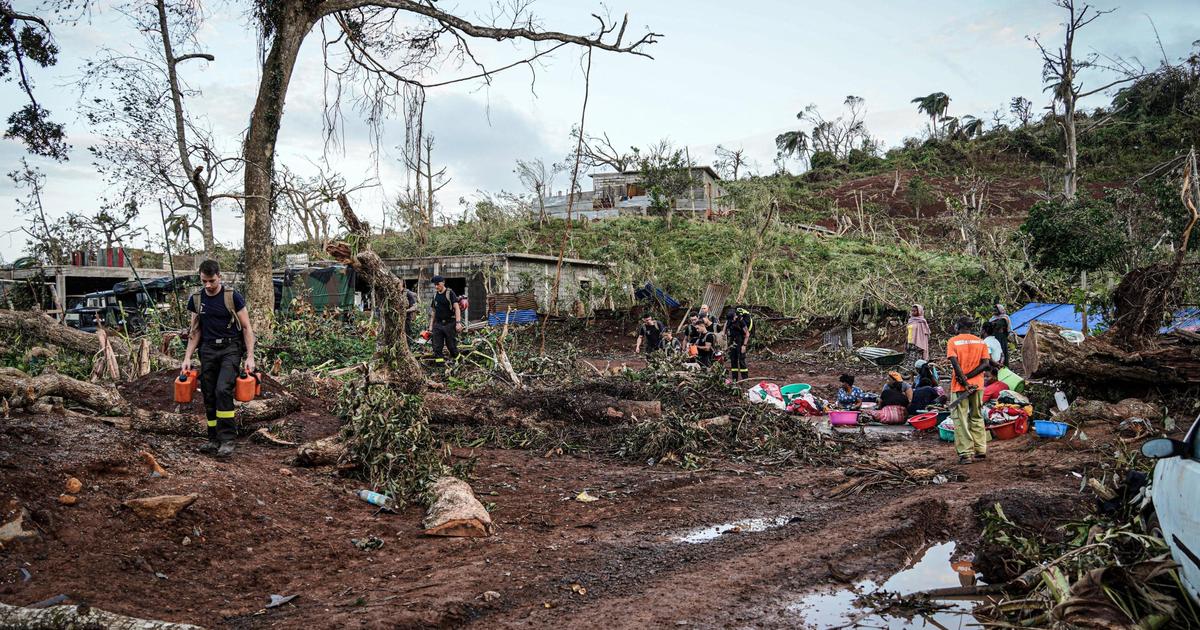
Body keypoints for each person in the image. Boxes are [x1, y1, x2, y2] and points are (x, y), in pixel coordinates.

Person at [181, 259, 256, 458]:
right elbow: (195, 331)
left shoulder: (233, 297)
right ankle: (213, 438)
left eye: (211, 281)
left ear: (219, 277)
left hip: (230, 348)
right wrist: (187, 357)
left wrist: (250, 356)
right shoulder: (196, 300)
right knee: (209, 393)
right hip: (207, 350)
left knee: (223, 389)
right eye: (204, 281)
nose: (208, 285)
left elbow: (247, 328)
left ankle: (228, 439)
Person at [947, 316, 996, 464]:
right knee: (977, 415)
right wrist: (970, 378)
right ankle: (980, 449)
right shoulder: (980, 342)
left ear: (958, 326)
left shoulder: (953, 341)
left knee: (960, 419)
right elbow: (986, 364)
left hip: (960, 386)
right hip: (978, 385)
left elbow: (955, 364)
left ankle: (966, 453)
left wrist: (963, 379)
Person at [427, 275, 462, 366]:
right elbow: (433, 311)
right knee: (437, 347)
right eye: (435, 284)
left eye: (437, 284)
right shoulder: (435, 295)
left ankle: (459, 361)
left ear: (443, 283)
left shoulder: (450, 293)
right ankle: (440, 366)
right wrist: (431, 326)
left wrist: (458, 323)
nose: (436, 286)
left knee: (451, 346)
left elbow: (457, 308)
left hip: (449, 323)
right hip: (438, 324)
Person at [725, 307, 753, 382]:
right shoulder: (729, 321)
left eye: (733, 318)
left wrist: (744, 345)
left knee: (741, 361)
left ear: (735, 316)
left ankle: (745, 379)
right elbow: (725, 332)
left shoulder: (741, 321)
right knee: (733, 361)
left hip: (740, 342)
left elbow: (747, 333)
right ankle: (735, 379)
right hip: (732, 343)